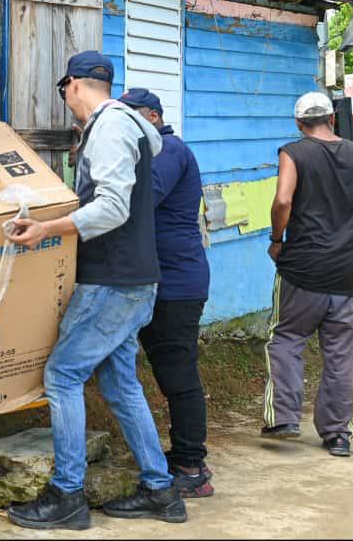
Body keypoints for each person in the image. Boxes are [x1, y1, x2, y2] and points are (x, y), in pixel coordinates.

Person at [4, 51, 185, 531]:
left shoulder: (110, 127)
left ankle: (67, 495)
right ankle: (161, 490)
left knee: (63, 374)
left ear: (74, 85)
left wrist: (47, 229)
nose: (64, 97)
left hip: (113, 281)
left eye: (63, 89)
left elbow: (111, 209)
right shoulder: (125, 128)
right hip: (129, 279)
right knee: (120, 383)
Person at [118, 88, 213, 497]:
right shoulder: (151, 152)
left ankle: (191, 466)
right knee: (169, 372)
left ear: (153, 117)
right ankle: (184, 458)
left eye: (131, 119)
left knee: (178, 374)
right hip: (162, 280)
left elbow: (142, 197)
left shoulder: (169, 150)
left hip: (176, 284)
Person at [263, 91, 353, 458]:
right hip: (349, 273)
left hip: (302, 269)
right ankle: (337, 435)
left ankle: (284, 418)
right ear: (332, 119)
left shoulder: (294, 152)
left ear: (299, 123)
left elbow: (283, 200)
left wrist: (277, 239)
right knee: (341, 353)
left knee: (286, 339)